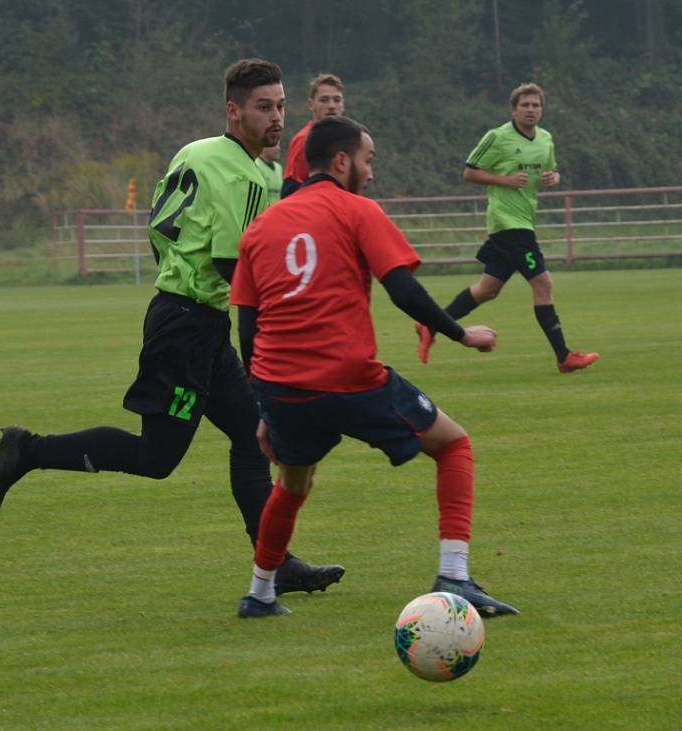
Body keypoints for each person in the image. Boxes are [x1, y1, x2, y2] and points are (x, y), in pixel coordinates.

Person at [0, 58, 345, 597]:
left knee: (252, 436)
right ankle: (28, 449)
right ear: (234, 109)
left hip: (190, 317)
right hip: (187, 331)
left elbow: (164, 226)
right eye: (263, 107)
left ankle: (276, 563)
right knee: (157, 459)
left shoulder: (196, 151)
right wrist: (286, 324)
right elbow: (232, 267)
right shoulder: (246, 172)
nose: (276, 117)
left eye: (281, 105)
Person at [230, 115, 519, 618]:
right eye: (368, 159)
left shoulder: (260, 228)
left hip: (281, 386)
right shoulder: (357, 210)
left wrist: (264, 409)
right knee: (454, 445)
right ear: (341, 162)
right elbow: (402, 288)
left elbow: (249, 332)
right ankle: (455, 575)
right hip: (347, 377)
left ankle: (260, 593)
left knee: (293, 483)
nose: (371, 171)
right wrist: (461, 332)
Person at [416, 82, 599, 373]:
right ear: (514, 109)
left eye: (535, 105)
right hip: (507, 223)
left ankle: (431, 325)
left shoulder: (546, 139)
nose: (531, 110)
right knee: (543, 284)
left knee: (488, 290)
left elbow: (546, 172)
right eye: (525, 105)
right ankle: (564, 356)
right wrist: (506, 181)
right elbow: (469, 172)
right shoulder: (497, 137)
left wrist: (554, 178)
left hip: (525, 221)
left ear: (542, 109)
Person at [280, 73, 345, 198]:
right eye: (324, 100)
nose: (331, 106)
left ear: (343, 104)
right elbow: (290, 190)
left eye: (337, 100)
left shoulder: (347, 139)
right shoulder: (304, 139)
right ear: (311, 104)